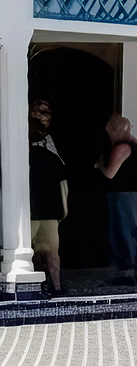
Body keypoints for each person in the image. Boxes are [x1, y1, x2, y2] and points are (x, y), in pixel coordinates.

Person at [100, 114, 137, 290]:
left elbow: (109, 174)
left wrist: (100, 165)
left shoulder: (121, 147)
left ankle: (127, 274)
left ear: (115, 130)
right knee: (133, 234)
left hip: (120, 196)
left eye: (110, 131)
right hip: (135, 194)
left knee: (121, 234)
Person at [25, 99, 62, 297]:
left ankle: (42, 287)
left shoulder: (43, 148)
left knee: (32, 248)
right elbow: (61, 176)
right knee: (48, 250)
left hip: (33, 208)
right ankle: (55, 287)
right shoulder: (48, 150)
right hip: (45, 208)